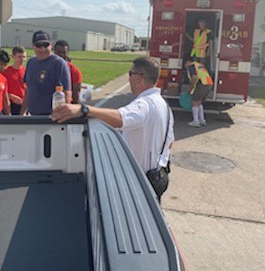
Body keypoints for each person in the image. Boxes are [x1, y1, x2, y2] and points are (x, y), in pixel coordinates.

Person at [51, 57, 174, 203]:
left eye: (130, 74)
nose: (129, 79)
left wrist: (84, 110)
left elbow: (120, 118)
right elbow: (170, 142)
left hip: (141, 182)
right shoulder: (163, 104)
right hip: (159, 177)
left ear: (139, 78)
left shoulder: (144, 104)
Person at [20, 31, 71, 115]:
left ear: (51, 44)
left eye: (45, 45)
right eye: (38, 45)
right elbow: (29, 90)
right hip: (33, 114)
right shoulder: (31, 62)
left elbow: (67, 92)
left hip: (52, 116)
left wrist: (63, 117)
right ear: (32, 45)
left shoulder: (59, 63)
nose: (42, 49)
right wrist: (22, 112)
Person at [185, 60, 214, 127]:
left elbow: (194, 77)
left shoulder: (191, 66)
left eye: (185, 65)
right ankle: (202, 120)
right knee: (199, 102)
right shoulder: (198, 65)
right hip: (209, 84)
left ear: (187, 63)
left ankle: (196, 121)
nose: (185, 67)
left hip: (202, 84)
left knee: (194, 101)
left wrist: (190, 89)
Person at [54, 40, 83, 104]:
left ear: (68, 53)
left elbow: (76, 97)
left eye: (64, 52)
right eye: (58, 52)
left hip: (65, 107)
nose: (61, 55)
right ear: (54, 52)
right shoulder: (47, 67)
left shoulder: (75, 71)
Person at [2, 46, 27, 115]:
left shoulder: (27, 71)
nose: (22, 59)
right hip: (10, 104)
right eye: (19, 57)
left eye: (24, 57)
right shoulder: (5, 72)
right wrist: (11, 96)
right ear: (13, 57)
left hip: (24, 104)